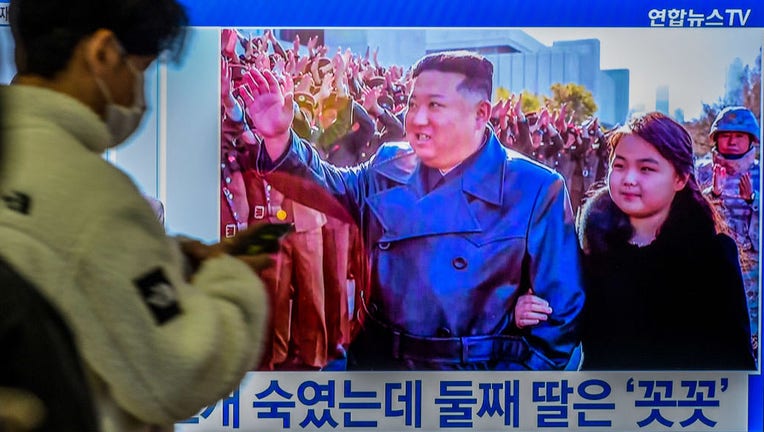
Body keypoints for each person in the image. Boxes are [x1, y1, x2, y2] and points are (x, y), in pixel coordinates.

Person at [1, 0, 271, 430]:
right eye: (140, 70)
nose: (139, 95)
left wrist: (164, 263)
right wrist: (230, 281)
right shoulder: (93, 198)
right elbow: (181, 369)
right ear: (103, 53)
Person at [242, 50, 585, 370]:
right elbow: (332, 190)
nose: (418, 119)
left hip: (468, 382)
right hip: (378, 369)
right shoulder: (390, 163)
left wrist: (502, 397)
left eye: (435, 106)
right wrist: (279, 139)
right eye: (412, 104)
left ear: (480, 113)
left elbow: (557, 326)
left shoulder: (535, 188)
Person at [515, 112, 755, 370]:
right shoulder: (589, 242)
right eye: (619, 166)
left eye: (646, 169)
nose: (629, 179)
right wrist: (523, 310)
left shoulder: (712, 254)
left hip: (674, 405)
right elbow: (564, 317)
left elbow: (737, 362)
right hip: (600, 401)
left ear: (680, 179)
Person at [696, 106, 760, 354]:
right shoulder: (701, 171)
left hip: (752, 275)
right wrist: (712, 195)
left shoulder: (760, 174)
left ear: (751, 140)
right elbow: (687, 217)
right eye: (726, 136)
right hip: (712, 269)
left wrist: (752, 200)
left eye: (739, 136)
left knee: (750, 339)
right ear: (716, 140)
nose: (732, 142)